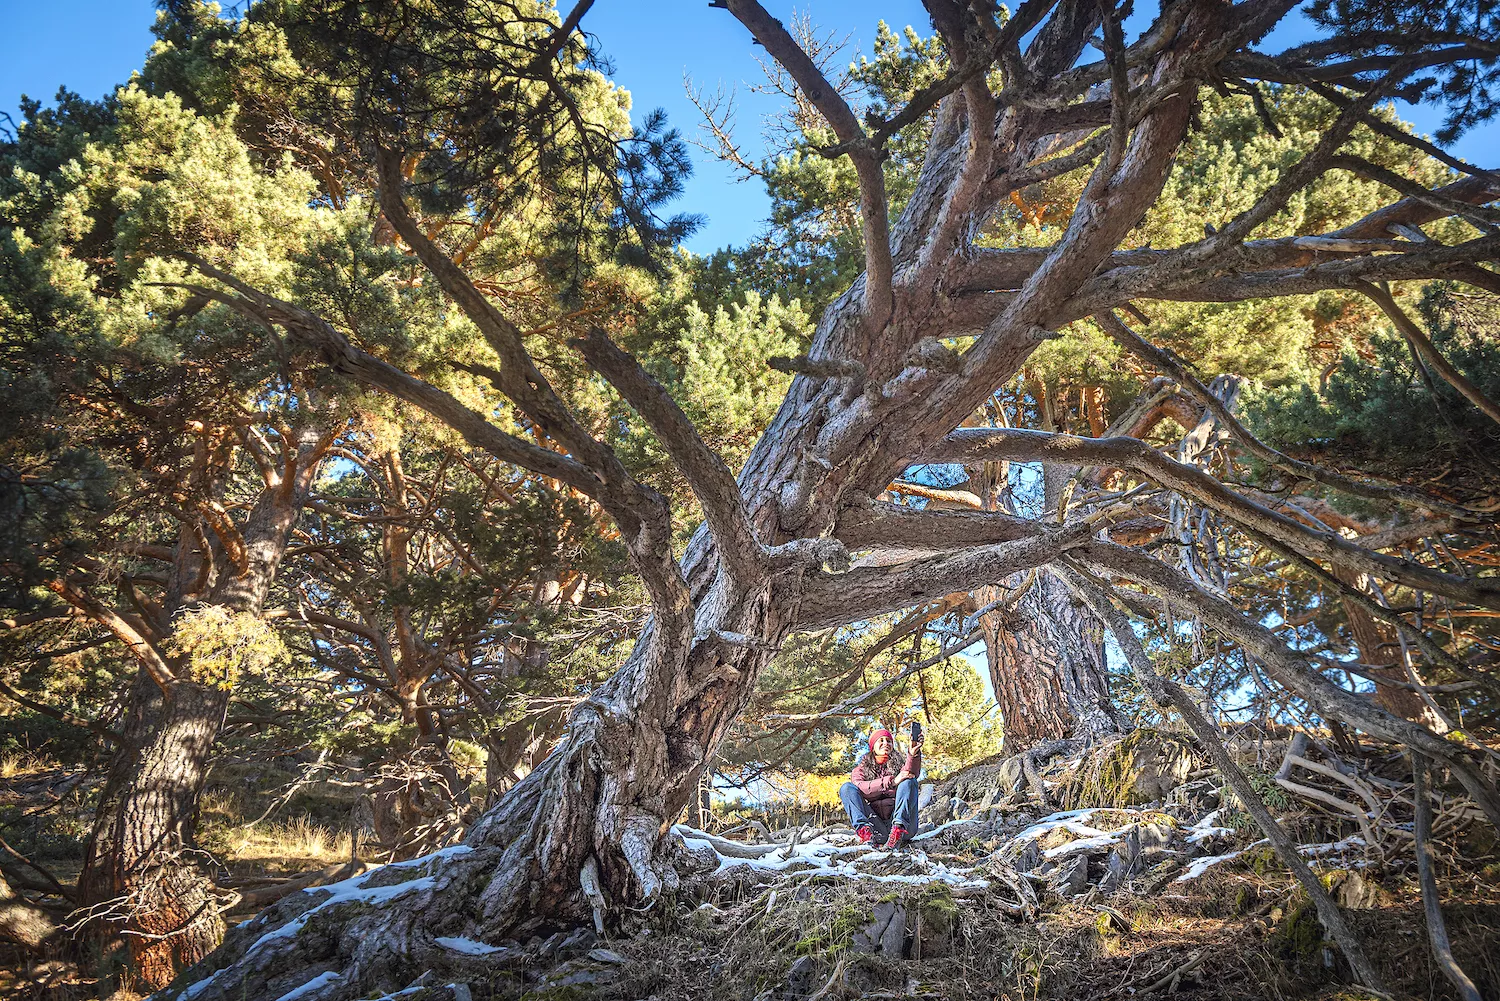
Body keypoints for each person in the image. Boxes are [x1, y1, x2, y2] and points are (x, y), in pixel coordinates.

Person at [839, 726, 923, 849]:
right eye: (881, 740)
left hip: (904, 827)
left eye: (888, 741)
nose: (886, 743)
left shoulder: (900, 765)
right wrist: (892, 782)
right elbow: (860, 787)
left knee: (909, 781)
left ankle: (897, 832)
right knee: (846, 788)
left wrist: (913, 754)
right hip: (875, 827)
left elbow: (911, 772)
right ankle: (866, 834)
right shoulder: (860, 770)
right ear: (873, 746)